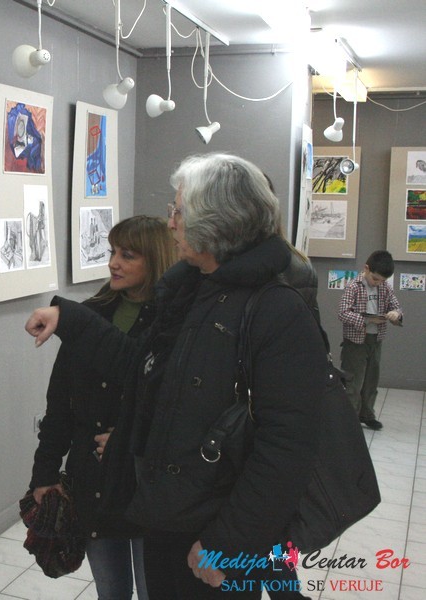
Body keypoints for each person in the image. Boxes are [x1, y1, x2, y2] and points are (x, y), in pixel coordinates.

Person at [25, 153, 327, 599]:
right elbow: (143, 371)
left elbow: (286, 448)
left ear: (215, 222)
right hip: (167, 518)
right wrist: (70, 318)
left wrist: (227, 543)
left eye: (179, 212)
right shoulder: (192, 292)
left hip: (214, 533)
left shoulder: (277, 311)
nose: (170, 223)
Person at [30, 216, 175, 600]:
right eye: (112, 252)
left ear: (155, 259)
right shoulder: (89, 314)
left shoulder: (173, 324)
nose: (113, 263)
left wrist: (128, 439)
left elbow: (171, 404)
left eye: (128, 255)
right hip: (93, 481)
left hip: (145, 484)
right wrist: (45, 473)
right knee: (110, 591)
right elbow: (60, 405)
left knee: (154, 591)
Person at [338, 250, 403, 431]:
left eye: (382, 280)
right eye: (375, 279)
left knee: (371, 381)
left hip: (376, 340)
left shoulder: (385, 287)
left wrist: (395, 314)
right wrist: (367, 320)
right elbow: (342, 313)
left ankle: (367, 414)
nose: (378, 283)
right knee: (353, 382)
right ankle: (349, 419)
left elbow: (397, 307)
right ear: (366, 269)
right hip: (355, 341)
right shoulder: (354, 286)